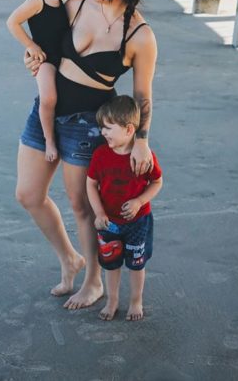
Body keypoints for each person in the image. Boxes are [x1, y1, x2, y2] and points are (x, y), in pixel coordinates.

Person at [16, 0, 157, 309]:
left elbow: (143, 96)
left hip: (88, 125)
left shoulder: (140, 36)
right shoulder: (76, 5)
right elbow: (43, 36)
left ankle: (93, 281)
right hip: (46, 112)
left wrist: (141, 140)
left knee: (82, 206)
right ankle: (70, 258)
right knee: (28, 195)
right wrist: (31, 56)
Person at [7, 0, 84, 161]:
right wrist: (31, 46)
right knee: (49, 99)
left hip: (60, 58)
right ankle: (50, 141)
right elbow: (12, 22)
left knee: (60, 97)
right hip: (46, 60)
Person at [86, 95, 162, 322]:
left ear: (129, 129)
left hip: (138, 222)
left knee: (136, 265)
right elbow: (91, 183)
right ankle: (112, 300)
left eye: (108, 128)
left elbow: (157, 182)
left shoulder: (143, 157)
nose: (102, 132)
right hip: (109, 222)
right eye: (101, 127)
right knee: (111, 264)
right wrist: (99, 213)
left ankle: (136, 301)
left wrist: (139, 201)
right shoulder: (101, 155)